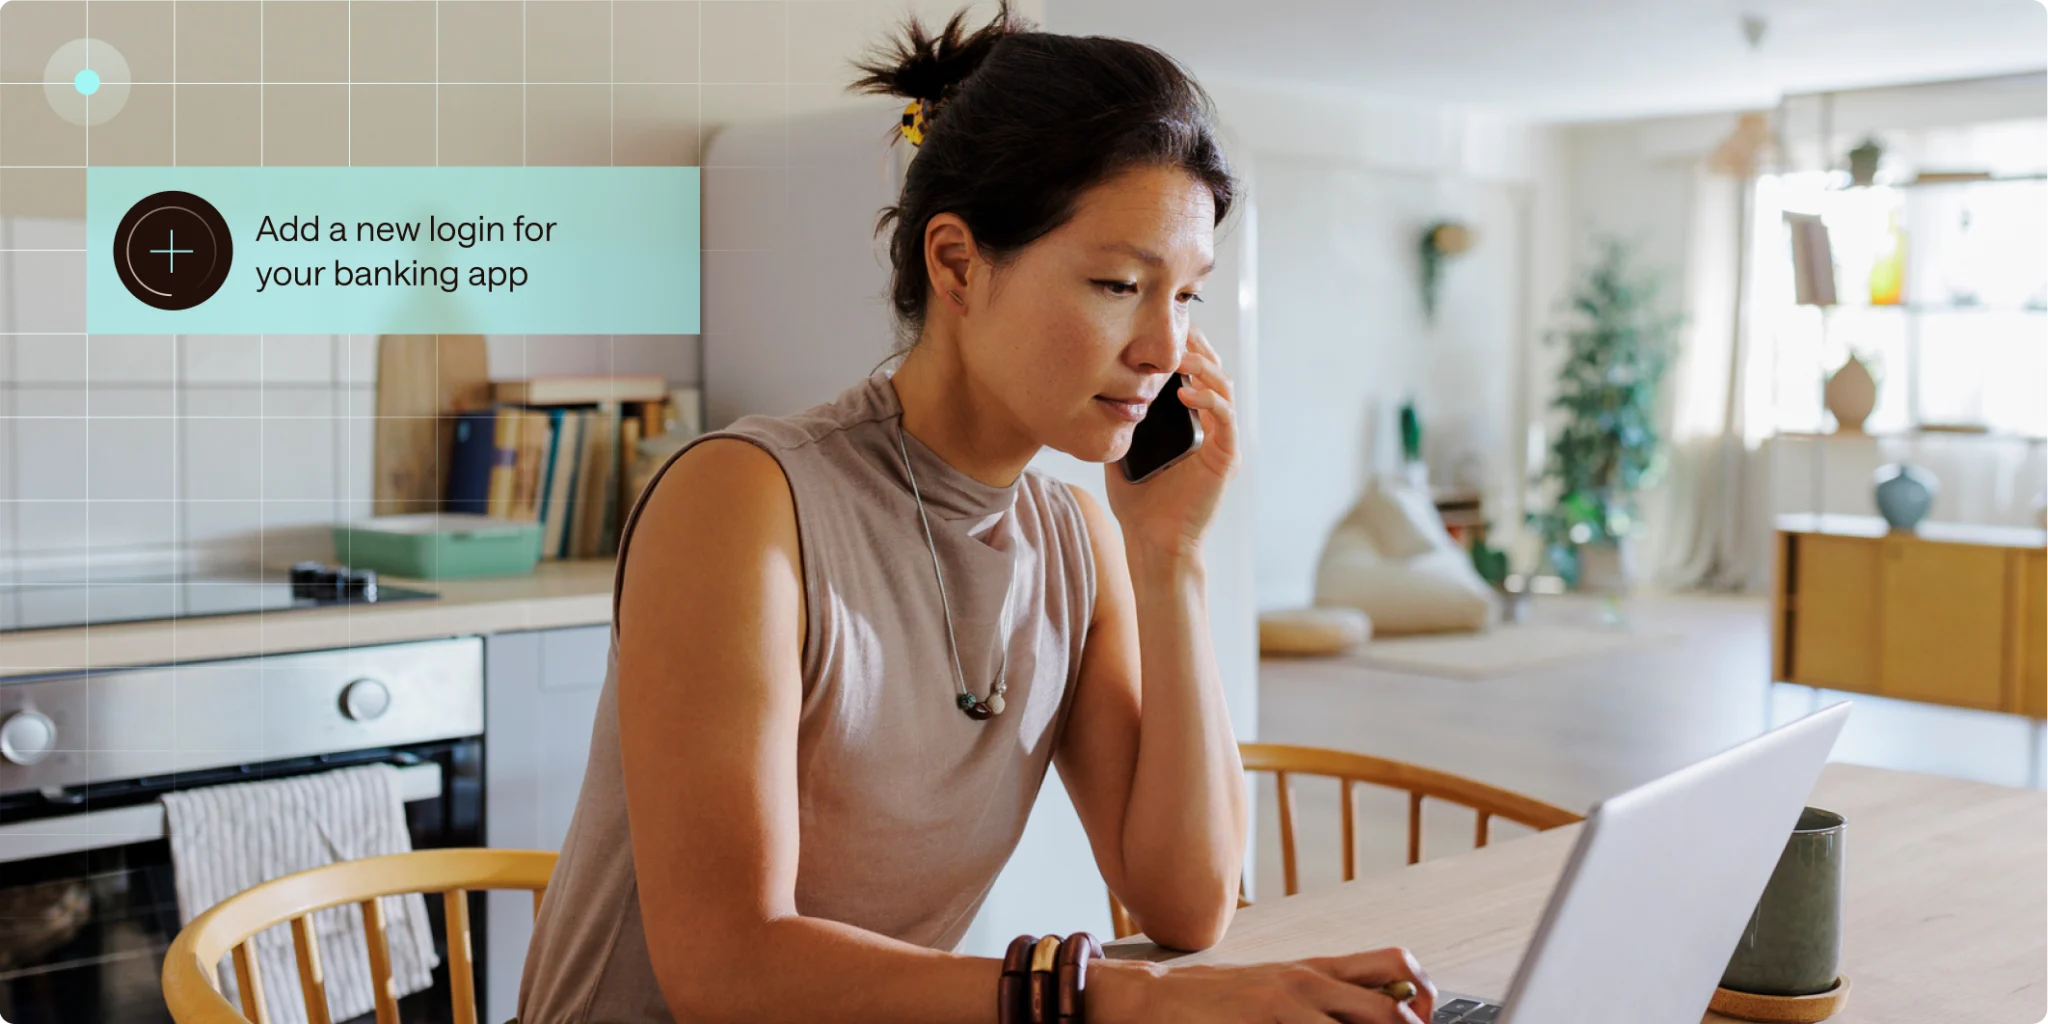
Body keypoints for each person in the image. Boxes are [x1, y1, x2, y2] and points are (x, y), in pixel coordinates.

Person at [516, 5, 1435, 1022]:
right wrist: (1121, 1003)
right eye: (1120, 283)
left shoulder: (1074, 539)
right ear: (955, 265)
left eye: (1187, 297)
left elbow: (1186, 901)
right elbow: (726, 970)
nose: (1163, 347)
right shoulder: (742, 500)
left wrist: (1168, 559)